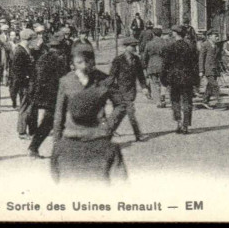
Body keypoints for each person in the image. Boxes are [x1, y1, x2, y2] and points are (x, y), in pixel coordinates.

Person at [51, 45, 127, 184]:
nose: (85, 66)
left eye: (88, 61)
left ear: (94, 61)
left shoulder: (105, 80)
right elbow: (59, 112)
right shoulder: (66, 81)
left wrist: (109, 126)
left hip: (97, 134)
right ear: (72, 64)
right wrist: (57, 138)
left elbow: (121, 104)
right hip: (71, 135)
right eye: (80, 62)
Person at [28, 33, 70, 158]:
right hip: (54, 96)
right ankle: (37, 148)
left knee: (51, 122)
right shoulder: (57, 60)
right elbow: (59, 79)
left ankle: (35, 148)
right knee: (53, 122)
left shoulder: (44, 58)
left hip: (49, 96)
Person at [109, 36, 149, 141]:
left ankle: (108, 131)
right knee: (130, 112)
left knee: (120, 113)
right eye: (132, 46)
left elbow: (141, 75)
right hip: (119, 91)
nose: (135, 49)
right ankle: (138, 134)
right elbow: (112, 77)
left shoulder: (136, 59)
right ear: (126, 47)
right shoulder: (118, 60)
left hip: (131, 91)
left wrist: (144, 87)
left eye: (135, 46)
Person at [165, 25, 200, 134]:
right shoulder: (191, 47)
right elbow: (195, 65)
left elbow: (166, 65)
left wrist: (164, 79)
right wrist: (196, 80)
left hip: (174, 78)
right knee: (187, 101)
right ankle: (186, 125)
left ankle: (178, 122)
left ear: (175, 34)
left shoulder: (170, 47)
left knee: (175, 100)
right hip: (187, 78)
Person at [12, 28, 37, 139]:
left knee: (30, 107)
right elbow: (17, 71)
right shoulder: (19, 51)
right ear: (28, 39)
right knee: (25, 107)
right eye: (32, 39)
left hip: (29, 83)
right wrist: (25, 80)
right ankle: (22, 131)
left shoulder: (27, 50)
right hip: (25, 84)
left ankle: (31, 130)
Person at [142, 27, 169, 108]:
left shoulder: (149, 43)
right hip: (162, 65)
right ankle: (163, 95)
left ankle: (158, 101)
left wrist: (145, 65)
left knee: (153, 83)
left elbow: (145, 56)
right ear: (161, 34)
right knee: (163, 82)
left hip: (152, 65)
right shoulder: (165, 43)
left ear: (153, 34)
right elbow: (168, 55)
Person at [199, 31, 222, 109]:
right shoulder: (205, 45)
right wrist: (201, 70)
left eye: (217, 36)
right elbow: (201, 58)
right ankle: (219, 101)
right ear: (209, 36)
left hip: (215, 68)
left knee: (210, 86)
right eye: (215, 36)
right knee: (215, 85)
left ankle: (205, 101)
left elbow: (218, 58)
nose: (217, 38)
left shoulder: (217, 45)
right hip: (208, 68)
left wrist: (220, 69)